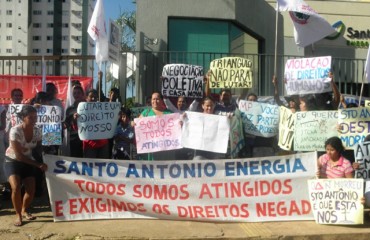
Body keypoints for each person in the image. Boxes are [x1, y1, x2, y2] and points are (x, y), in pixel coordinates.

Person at [4, 105, 47, 226]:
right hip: (12, 160)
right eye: (30, 117)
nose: (34, 119)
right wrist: (38, 164)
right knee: (16, 187)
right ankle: (18, 214)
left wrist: (47, 155)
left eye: (35, 117)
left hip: (29, 160)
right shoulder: (15, 131)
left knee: (31, 190)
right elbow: (19, 156)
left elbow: (38, 147)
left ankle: (24, 210)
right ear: (23, 118)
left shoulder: (38, 131)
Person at [80, 89, 110, 159]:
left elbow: (110, 121)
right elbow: (77, 127)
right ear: (86, 98)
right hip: (89, 144)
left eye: (95, 97)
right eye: (91, 97)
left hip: (103, 144)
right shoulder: (82, 110)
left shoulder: (103, 109)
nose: (93, 99)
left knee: (103, 167)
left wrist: (116, 115)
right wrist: (76, 119)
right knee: (90, 168)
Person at [64, 85, 85, 158]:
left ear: (82, 94)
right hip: (74, 138)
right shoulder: (69, 109)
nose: (76, 95)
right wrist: (73, 119)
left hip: (86, 139)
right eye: (75, 93)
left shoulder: (89, 106)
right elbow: (67, 124)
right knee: (75, 159)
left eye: (78, 93)